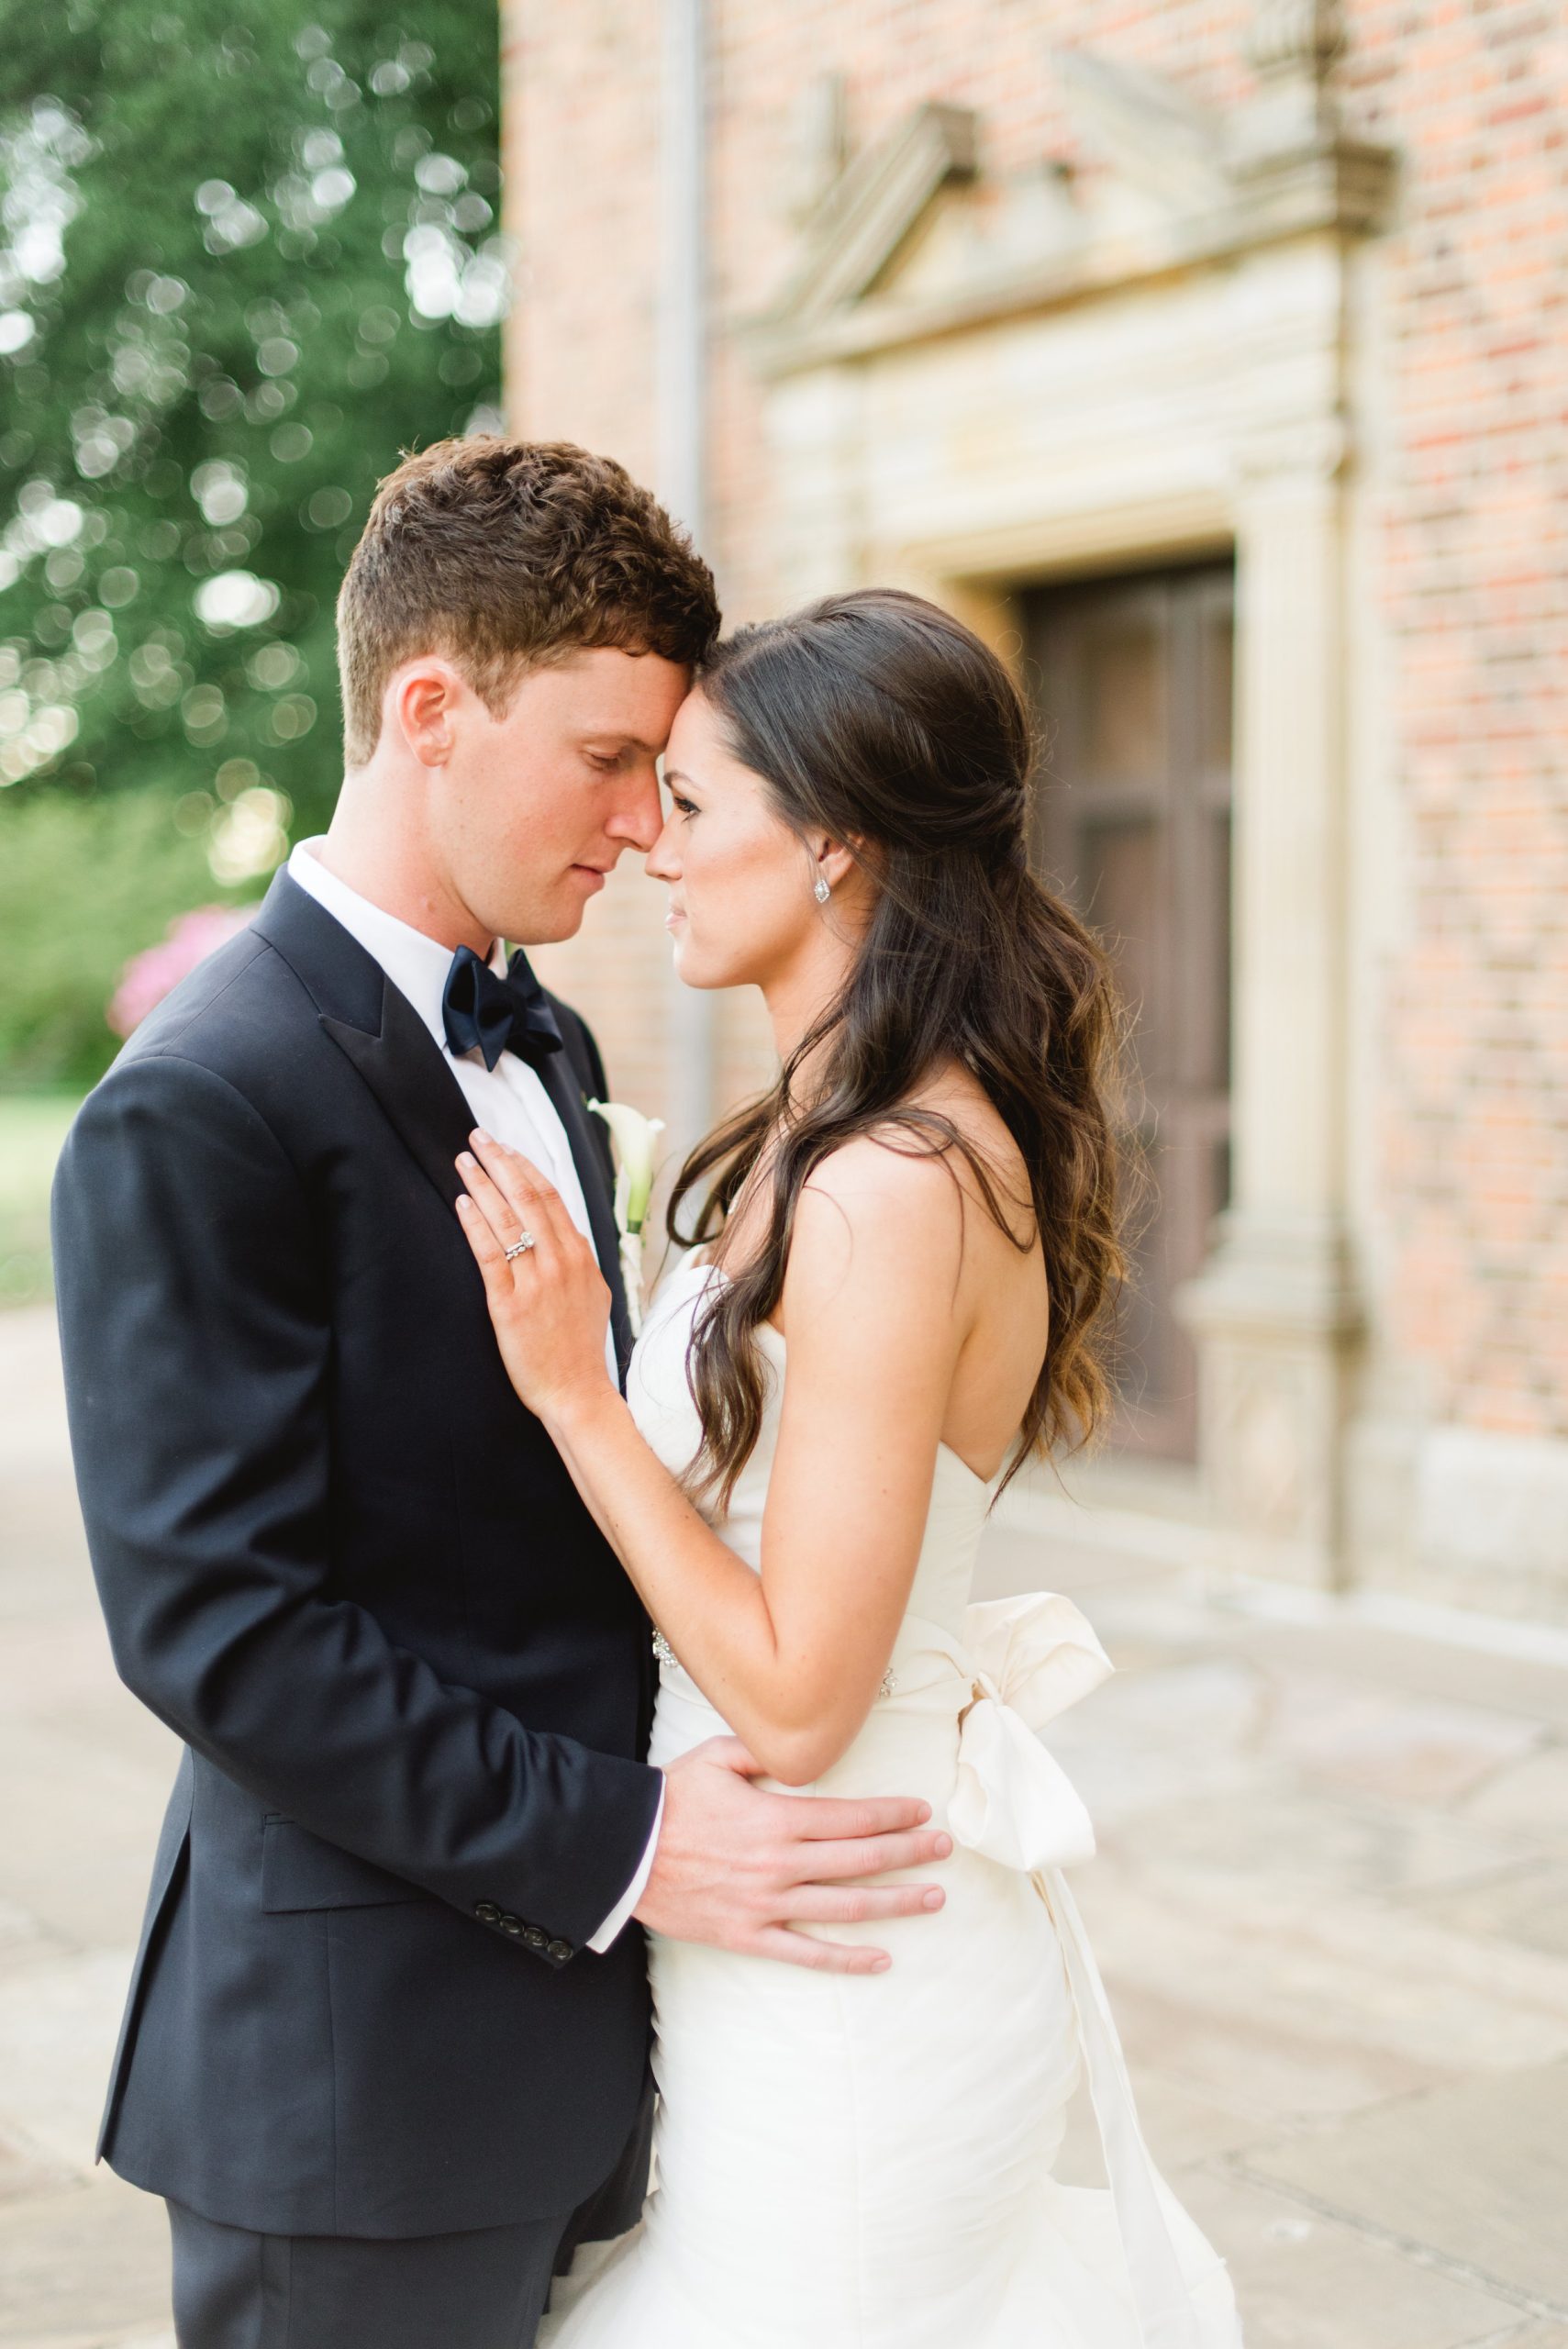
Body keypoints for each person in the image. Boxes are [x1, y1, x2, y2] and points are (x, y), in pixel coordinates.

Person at [50, 442, 955, 2349]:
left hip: (588, 2049)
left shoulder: (547, 1029)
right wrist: (628, 1839)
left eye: (663, 772)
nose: (644, 824)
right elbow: (221, 1629)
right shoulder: (199, 1105)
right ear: (431, 708)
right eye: (612, 757)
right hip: (353, 2076)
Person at [452, 587, 1245, 2347]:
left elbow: (805, 1700)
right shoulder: (829, 1131)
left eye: (691, 798)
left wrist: (583, 1397)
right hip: (786, 1935)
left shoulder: (893, 1179)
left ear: (829, 843)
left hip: (853, 1966)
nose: (650, 843)